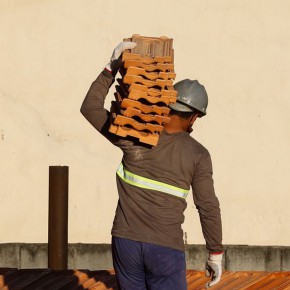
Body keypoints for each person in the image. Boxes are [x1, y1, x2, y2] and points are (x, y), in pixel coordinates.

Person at [80, 42, 223, 290]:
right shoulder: (198, 155)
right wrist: (215, 254)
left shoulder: (133, 134)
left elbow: (90, 108)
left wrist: (110, 67)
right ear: (194, 116)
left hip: (125, 243)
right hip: (165, 250)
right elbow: (207, 206)